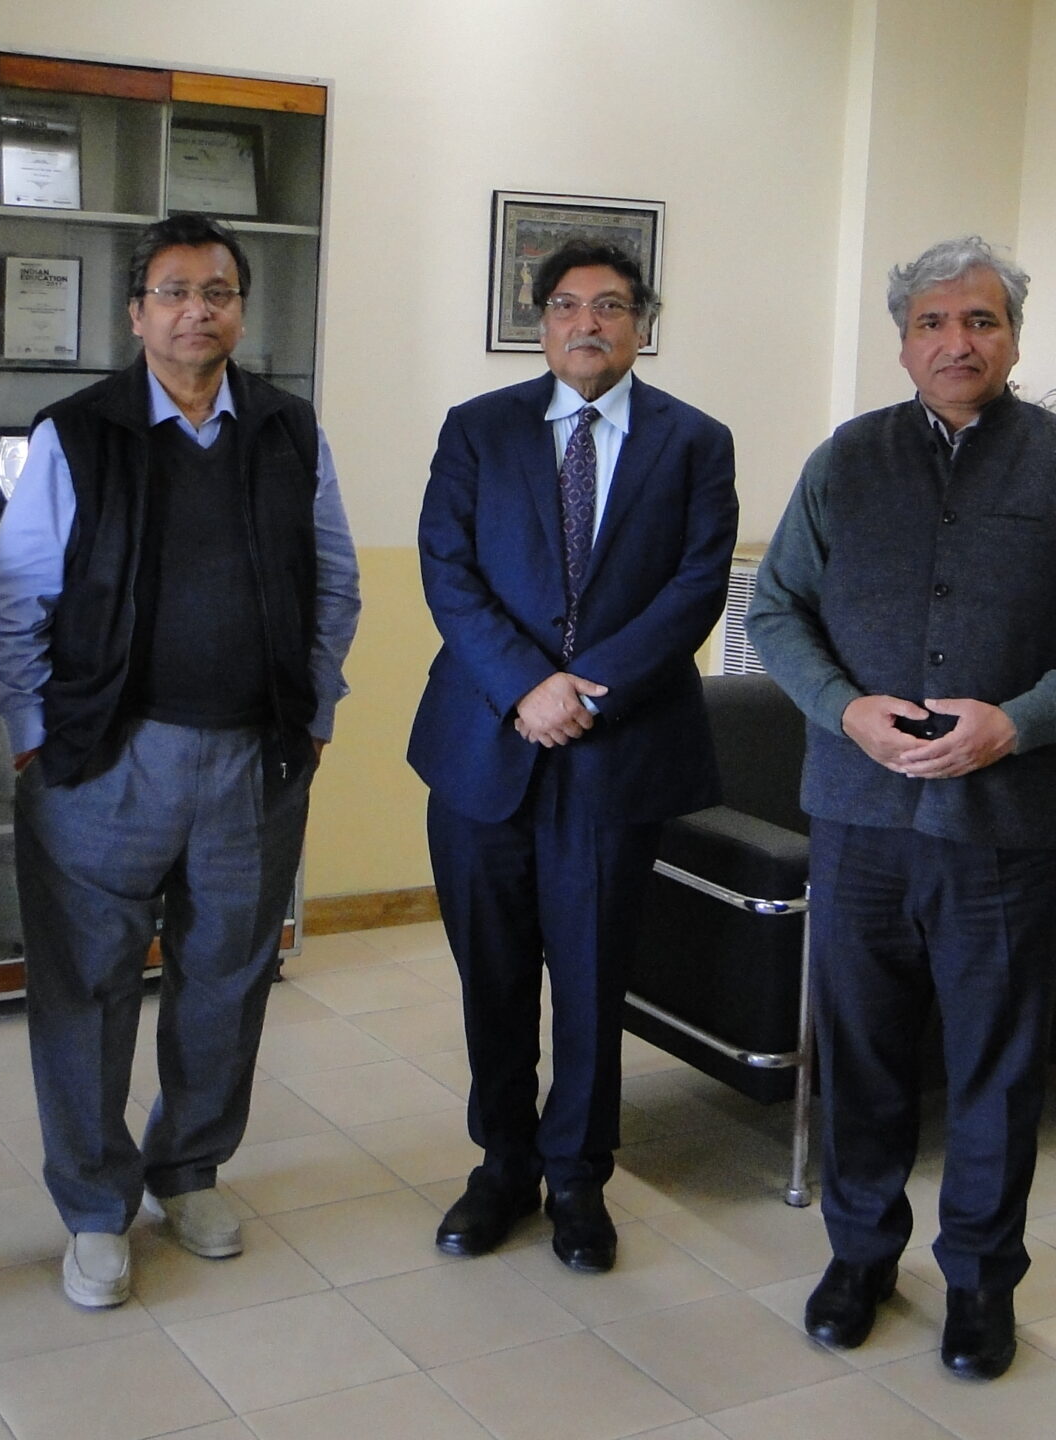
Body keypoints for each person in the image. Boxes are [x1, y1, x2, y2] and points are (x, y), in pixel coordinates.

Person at [748, 236, 1056, 1378]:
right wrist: (844, 710)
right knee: (862, 1053)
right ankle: (860, 1253)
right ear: (902, 342)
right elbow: (777, 611)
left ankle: (980, 1280)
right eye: (933, 323)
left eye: (979, 321)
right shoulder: (845, 460)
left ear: (1013, 338)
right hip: (861, 819)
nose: (955, 342)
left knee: (996, 1061)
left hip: (1011, 828)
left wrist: (1015, 721)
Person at [0, 213, 361, 1308]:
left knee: (227, 980)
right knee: (86, 987)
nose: (200, 308)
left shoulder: (287, 428)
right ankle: (96, 1205)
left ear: (241, 307)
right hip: (104, 760)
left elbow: (334, 580)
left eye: (220, 290)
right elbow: (13, 602)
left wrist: (317, 710)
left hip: (256, 758)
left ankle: (188, 1169)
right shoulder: (78, 432)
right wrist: (32, 738)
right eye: (176, 290)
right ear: (137, 311)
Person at [409, 240, 738, 1273]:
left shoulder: (695, 441)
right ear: (539, 323)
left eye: (606, 306)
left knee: (594, 978)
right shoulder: (478, 430)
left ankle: (580, 1177)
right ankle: (503, 1164)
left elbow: (695, 585)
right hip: (482, 749)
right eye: (563, 307)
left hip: (617, 754)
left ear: (643, 322)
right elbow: (447, 568)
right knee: (493, 975)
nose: (584, 323)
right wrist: (526, 686)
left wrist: (585, 688)